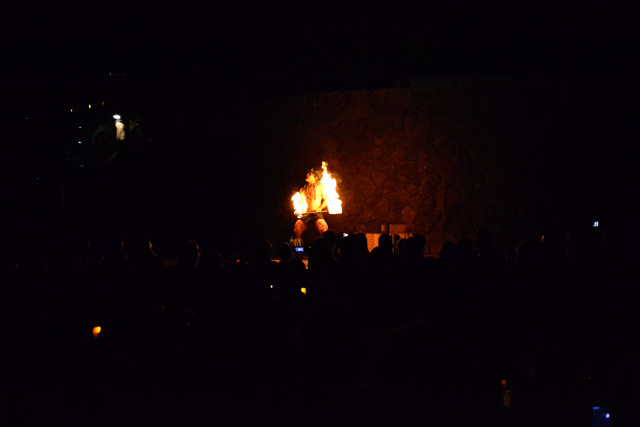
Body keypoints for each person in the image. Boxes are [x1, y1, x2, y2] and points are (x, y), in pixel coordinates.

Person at [291, 168, 329, 247]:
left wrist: (320, 208)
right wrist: (298, 210)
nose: (307, 175)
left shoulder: (320, 187)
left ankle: (327, 249)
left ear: (314, 176)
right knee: (296, 230)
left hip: (316, 213)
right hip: (305, 214)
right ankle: (297, 251)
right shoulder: (303, 189)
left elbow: (326, 200)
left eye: (310, 174)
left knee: (324, 230)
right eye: (307, 174)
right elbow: (299, 203)